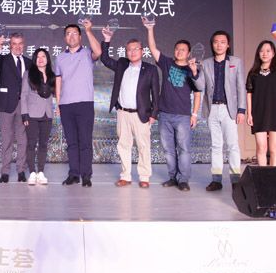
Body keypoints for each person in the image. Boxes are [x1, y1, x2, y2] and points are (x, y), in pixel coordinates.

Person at [100, 26, 159, 188]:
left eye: (135, 49)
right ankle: (125, 176)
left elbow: (156, 93)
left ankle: (144, 177)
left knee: (143, 146)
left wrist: (154, 114)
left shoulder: (150, 69)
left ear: (142, 51)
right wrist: (107, 39)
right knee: (123, 145)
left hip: (142, 114)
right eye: (129, 50)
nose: (132, 52)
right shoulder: (121, 64)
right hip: (123, 113)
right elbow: (104, 59)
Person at [145, 20, 200, 192]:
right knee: (168, 150)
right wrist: (150, 29)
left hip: (183, 115)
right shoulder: (167, 63)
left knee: (184, 149)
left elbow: (198, 93)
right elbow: (153, 48)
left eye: (183, 49)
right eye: (177, 49)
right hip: (165, 114)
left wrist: (194, 114)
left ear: (188, 53)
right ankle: (173, 177)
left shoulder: (192, 69)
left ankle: (183, 179)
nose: (179, 51)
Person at [190, 31, 246, 191]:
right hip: (212, 109)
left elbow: (240, 86)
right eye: (216, 42)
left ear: (228, 45)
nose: (219, 45)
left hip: (230, 109)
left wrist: (241, 110)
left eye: (222, 42)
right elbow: (200, 86)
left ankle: (235, 179)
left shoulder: (236, 62)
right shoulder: (206, 63)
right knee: (216, 145)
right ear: (212, 44)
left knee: (232, 145)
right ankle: (216, 180)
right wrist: (194, 72)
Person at [55, 21, 101, 187]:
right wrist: (58, 104)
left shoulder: (87, 53)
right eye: (68, 34)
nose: (71, 36)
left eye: (75, 33)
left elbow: (99, 51)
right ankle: (73, 174)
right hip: (66, 105)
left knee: (85, 141)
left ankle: (86, 175)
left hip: (84, 103)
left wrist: (88, 30)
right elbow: (58, 81)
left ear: (80, 37)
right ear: (65, 38)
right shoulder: (60, 57)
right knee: (71, 142)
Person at [0, 33, 32, 183]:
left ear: (24, 45)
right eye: (14, 43)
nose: (17, 46)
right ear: (10, 46)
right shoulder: (2, 59)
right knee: (7, 140)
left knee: (23, 140)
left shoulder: (29, 62)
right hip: (6, 105)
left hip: (24, 106)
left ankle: (21, 170)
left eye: (20, 43)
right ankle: (5, 171)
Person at [20, 48, 56, 185]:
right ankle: (32, 172)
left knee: (43, 144)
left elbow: (56, 94)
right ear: (35, 59)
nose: (41, 59)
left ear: (47, 59)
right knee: (31, 144)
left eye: (43, 56)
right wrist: (24, 115)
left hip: (47, 114)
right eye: (38, 57)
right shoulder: (28, 74)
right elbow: (24, 95)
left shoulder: (52, 74)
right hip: (32, 115)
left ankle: (41, 172)